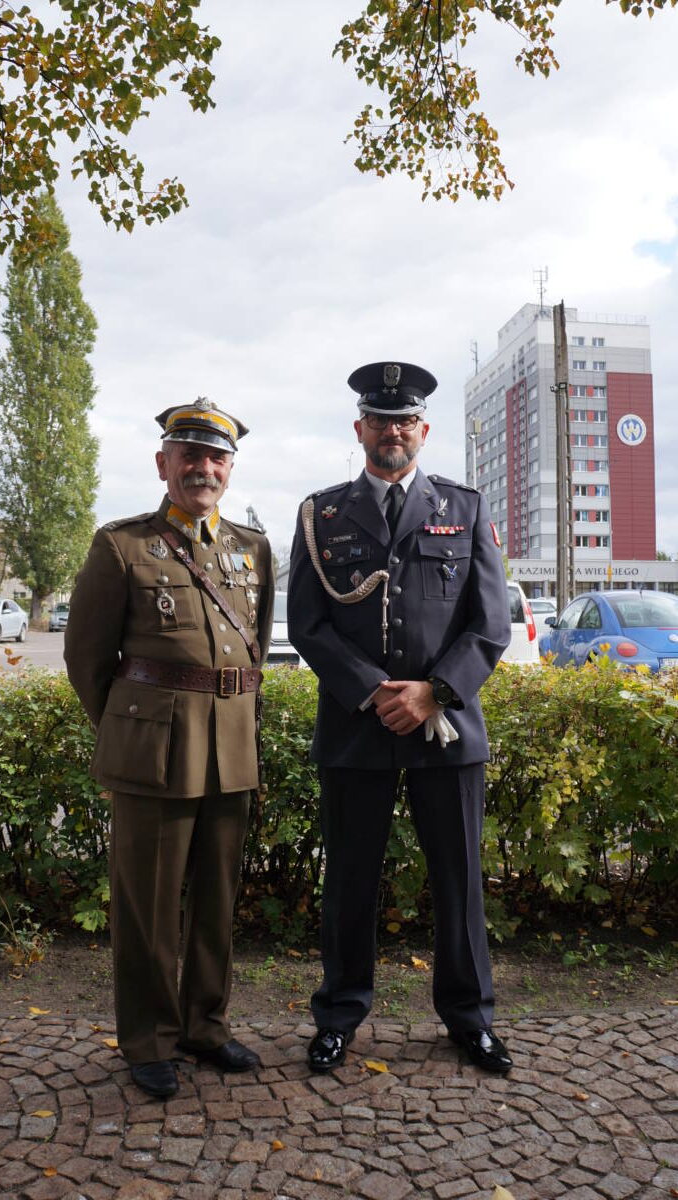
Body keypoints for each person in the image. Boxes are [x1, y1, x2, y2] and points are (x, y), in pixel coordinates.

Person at [287, 360, 513, 1075]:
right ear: (360, 429)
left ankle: (468, 1018)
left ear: (422, 430)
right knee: (349, 881)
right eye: (379, 420)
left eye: (404, 420)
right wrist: (373, 690)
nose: (392, 431)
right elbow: (307, 623)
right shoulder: (320, 514)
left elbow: (490, 625)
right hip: (357, 730)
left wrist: (432, 692)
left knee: (458, 882)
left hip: (446, 730)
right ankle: (339, 1015)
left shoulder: (465, 508)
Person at [65, 397, 274, 1099]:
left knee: (217, 901)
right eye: (189, 455)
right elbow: (86, 658)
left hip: (231, 746)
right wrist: (134, 728)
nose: (203, 468)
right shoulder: (121, 546)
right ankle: (148, 1039)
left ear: (229, 468)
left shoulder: (252, 549)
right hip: (154, 752)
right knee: (148, 904)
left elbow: (254, 655)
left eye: (216, 458)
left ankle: (203, 1027)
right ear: (164, 463)